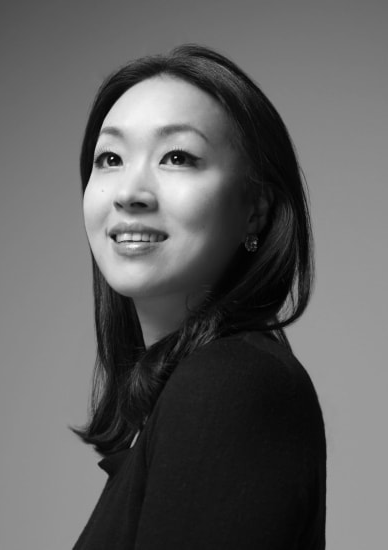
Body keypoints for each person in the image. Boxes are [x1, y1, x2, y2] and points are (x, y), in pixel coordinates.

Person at [72, 44, 326, 549]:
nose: (129, 193)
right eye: (111, 158)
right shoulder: (188, 394)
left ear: (256, 210)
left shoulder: (232, 384)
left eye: (177, 157)